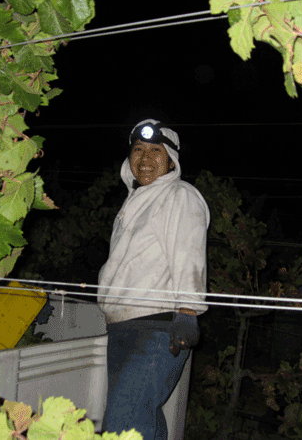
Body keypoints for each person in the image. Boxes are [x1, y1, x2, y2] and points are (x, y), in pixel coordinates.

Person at [98, 119, 210, 440]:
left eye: (155, 151)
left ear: (171, 160)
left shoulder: (179, 195)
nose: (144, 159)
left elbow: (188, 252)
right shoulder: (134, 202)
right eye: (138, 150)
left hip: (156, 329)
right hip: (123, 327)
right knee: (141, 417)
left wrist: (187, 311)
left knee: (123, 426)